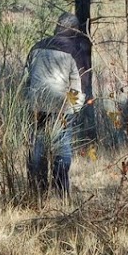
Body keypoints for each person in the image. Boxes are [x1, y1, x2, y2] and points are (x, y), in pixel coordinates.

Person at [22, 12, 91, 199]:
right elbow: (78, 83)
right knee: (62, 148)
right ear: (74, 30)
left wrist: (27, 101)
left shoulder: (37, 46)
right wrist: (74, 109)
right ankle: (60, 194)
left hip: (35, 105)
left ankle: (37, 191)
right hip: (61, 107)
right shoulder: (76, 50)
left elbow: (25, 78)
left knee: (37, 147)